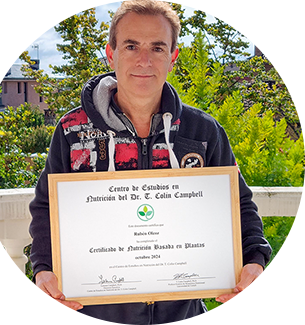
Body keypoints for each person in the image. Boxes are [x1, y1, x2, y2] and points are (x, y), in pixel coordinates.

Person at [29, 0, 272, 323]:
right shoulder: (72, 130)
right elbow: (48, 206)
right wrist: (43, 268)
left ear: (172, 56)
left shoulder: (203, 132)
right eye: (131, 46)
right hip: (95, 310)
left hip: (183, 311)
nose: (144, 60)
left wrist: (255, 258)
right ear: (111, 53)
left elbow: (238, 204)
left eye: (157, 48)